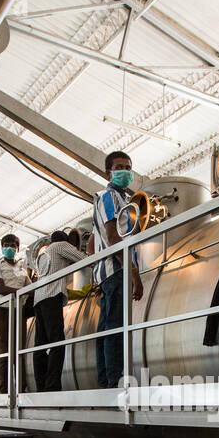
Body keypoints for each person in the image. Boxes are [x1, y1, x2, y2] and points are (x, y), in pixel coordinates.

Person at [92, 151, 144, 389]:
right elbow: (113, 238)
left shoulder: (122, 199)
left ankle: (107, 381)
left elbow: (93, 242)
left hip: (111, 271)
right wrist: (134, 272)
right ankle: (114, 382)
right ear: (108, 172)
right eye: (120, 167)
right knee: (115, 327)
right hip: (116, 270)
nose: (125, 171)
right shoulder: (108, 197)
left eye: (128, 167)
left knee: (107, 327)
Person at [33, 229, 86, 392]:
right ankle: (52, 385)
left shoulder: (43, 254)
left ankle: (41, 385)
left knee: (39, 345)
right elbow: (82, 259)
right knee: (57, 342)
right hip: (52, 296)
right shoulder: (61, 246)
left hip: (39, 299)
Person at [0, 233, 34, 393]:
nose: (10, 248)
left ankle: (21, 388)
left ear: (18, 248)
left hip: (18, 312)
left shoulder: (21, 269)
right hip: (3, 312)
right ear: (2, 247)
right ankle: (4, 390)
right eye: (6, 245)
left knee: (19, 351)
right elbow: (1, 289)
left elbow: (31, 289)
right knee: (5, 352)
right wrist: (23, 292)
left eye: (13, 245)